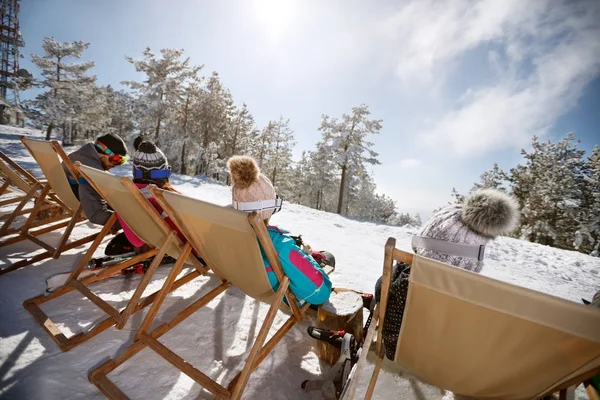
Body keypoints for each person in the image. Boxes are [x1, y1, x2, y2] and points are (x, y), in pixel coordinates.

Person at [375, 189, 520, 360]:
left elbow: (382, 294)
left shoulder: (408, 283)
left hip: (405, 354)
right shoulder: (474, 299)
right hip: (449, 363)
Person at [227, 155, 333, 305]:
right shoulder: (281, 246)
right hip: (282, 293)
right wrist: (306, 256)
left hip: (246, 281)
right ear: (270, 207)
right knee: (328, 258)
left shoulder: (225, 233)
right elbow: (321, 293)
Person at [104, 140, 182, 256]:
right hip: (176, 245)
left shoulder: (124, 192)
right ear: (163, 173)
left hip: (138, 237)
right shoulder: (163, 199)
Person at [63, 133, 128, 232]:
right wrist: (128, 223)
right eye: (115, 159)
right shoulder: (91, 170)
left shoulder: (80, 155)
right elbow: (96, 215)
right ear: (103, 151)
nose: (116, 164)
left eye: (121, 160)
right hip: (82, 200)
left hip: (67, 191)